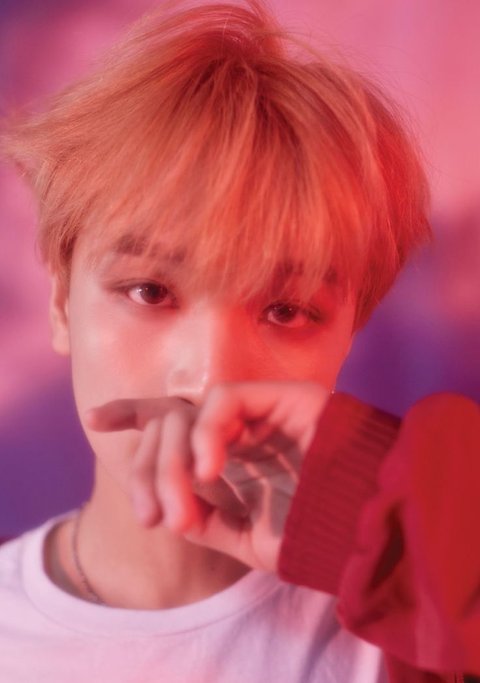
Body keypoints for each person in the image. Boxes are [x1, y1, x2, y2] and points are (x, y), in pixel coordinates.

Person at [0, 1, 478, 681]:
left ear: (349, 335)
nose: (209, 378)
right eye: (150, 291)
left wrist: (397, 535)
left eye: (285, 310)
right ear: (60, 304)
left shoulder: (425, 642)